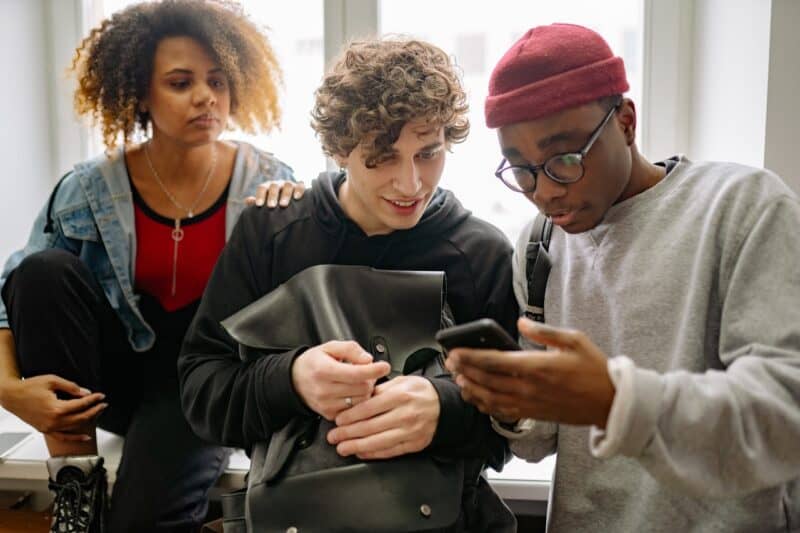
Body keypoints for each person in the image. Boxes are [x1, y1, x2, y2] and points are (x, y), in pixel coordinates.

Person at [445, 22, 800, 532]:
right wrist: (510, 405)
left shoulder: (743, 208)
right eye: (521, 169)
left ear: (626, 123)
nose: (544, 191)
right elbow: (538, 442)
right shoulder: (537, 246)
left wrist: (617, 400)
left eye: (565, 159)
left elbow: (784, 416)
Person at [179, 37, 519, 531]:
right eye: (382, 157)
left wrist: (446, 409)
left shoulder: (481, 254)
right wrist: (290, 379)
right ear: (339, 147)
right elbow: (199, 391)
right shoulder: (271, 235)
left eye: (428, 153)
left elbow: (516, 425)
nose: (411, 184)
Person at [0, 1, 305, 531]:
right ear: (140, 92)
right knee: (43, 271)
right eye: (181, 82)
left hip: (206, 388)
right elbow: (9, 302)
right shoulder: (87, 191)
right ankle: (75, 489)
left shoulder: (270, 185)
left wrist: (300, 216)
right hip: (107, 391)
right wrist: (7, 389)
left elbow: (306, 306)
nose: (206, 96)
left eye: (217, 80)